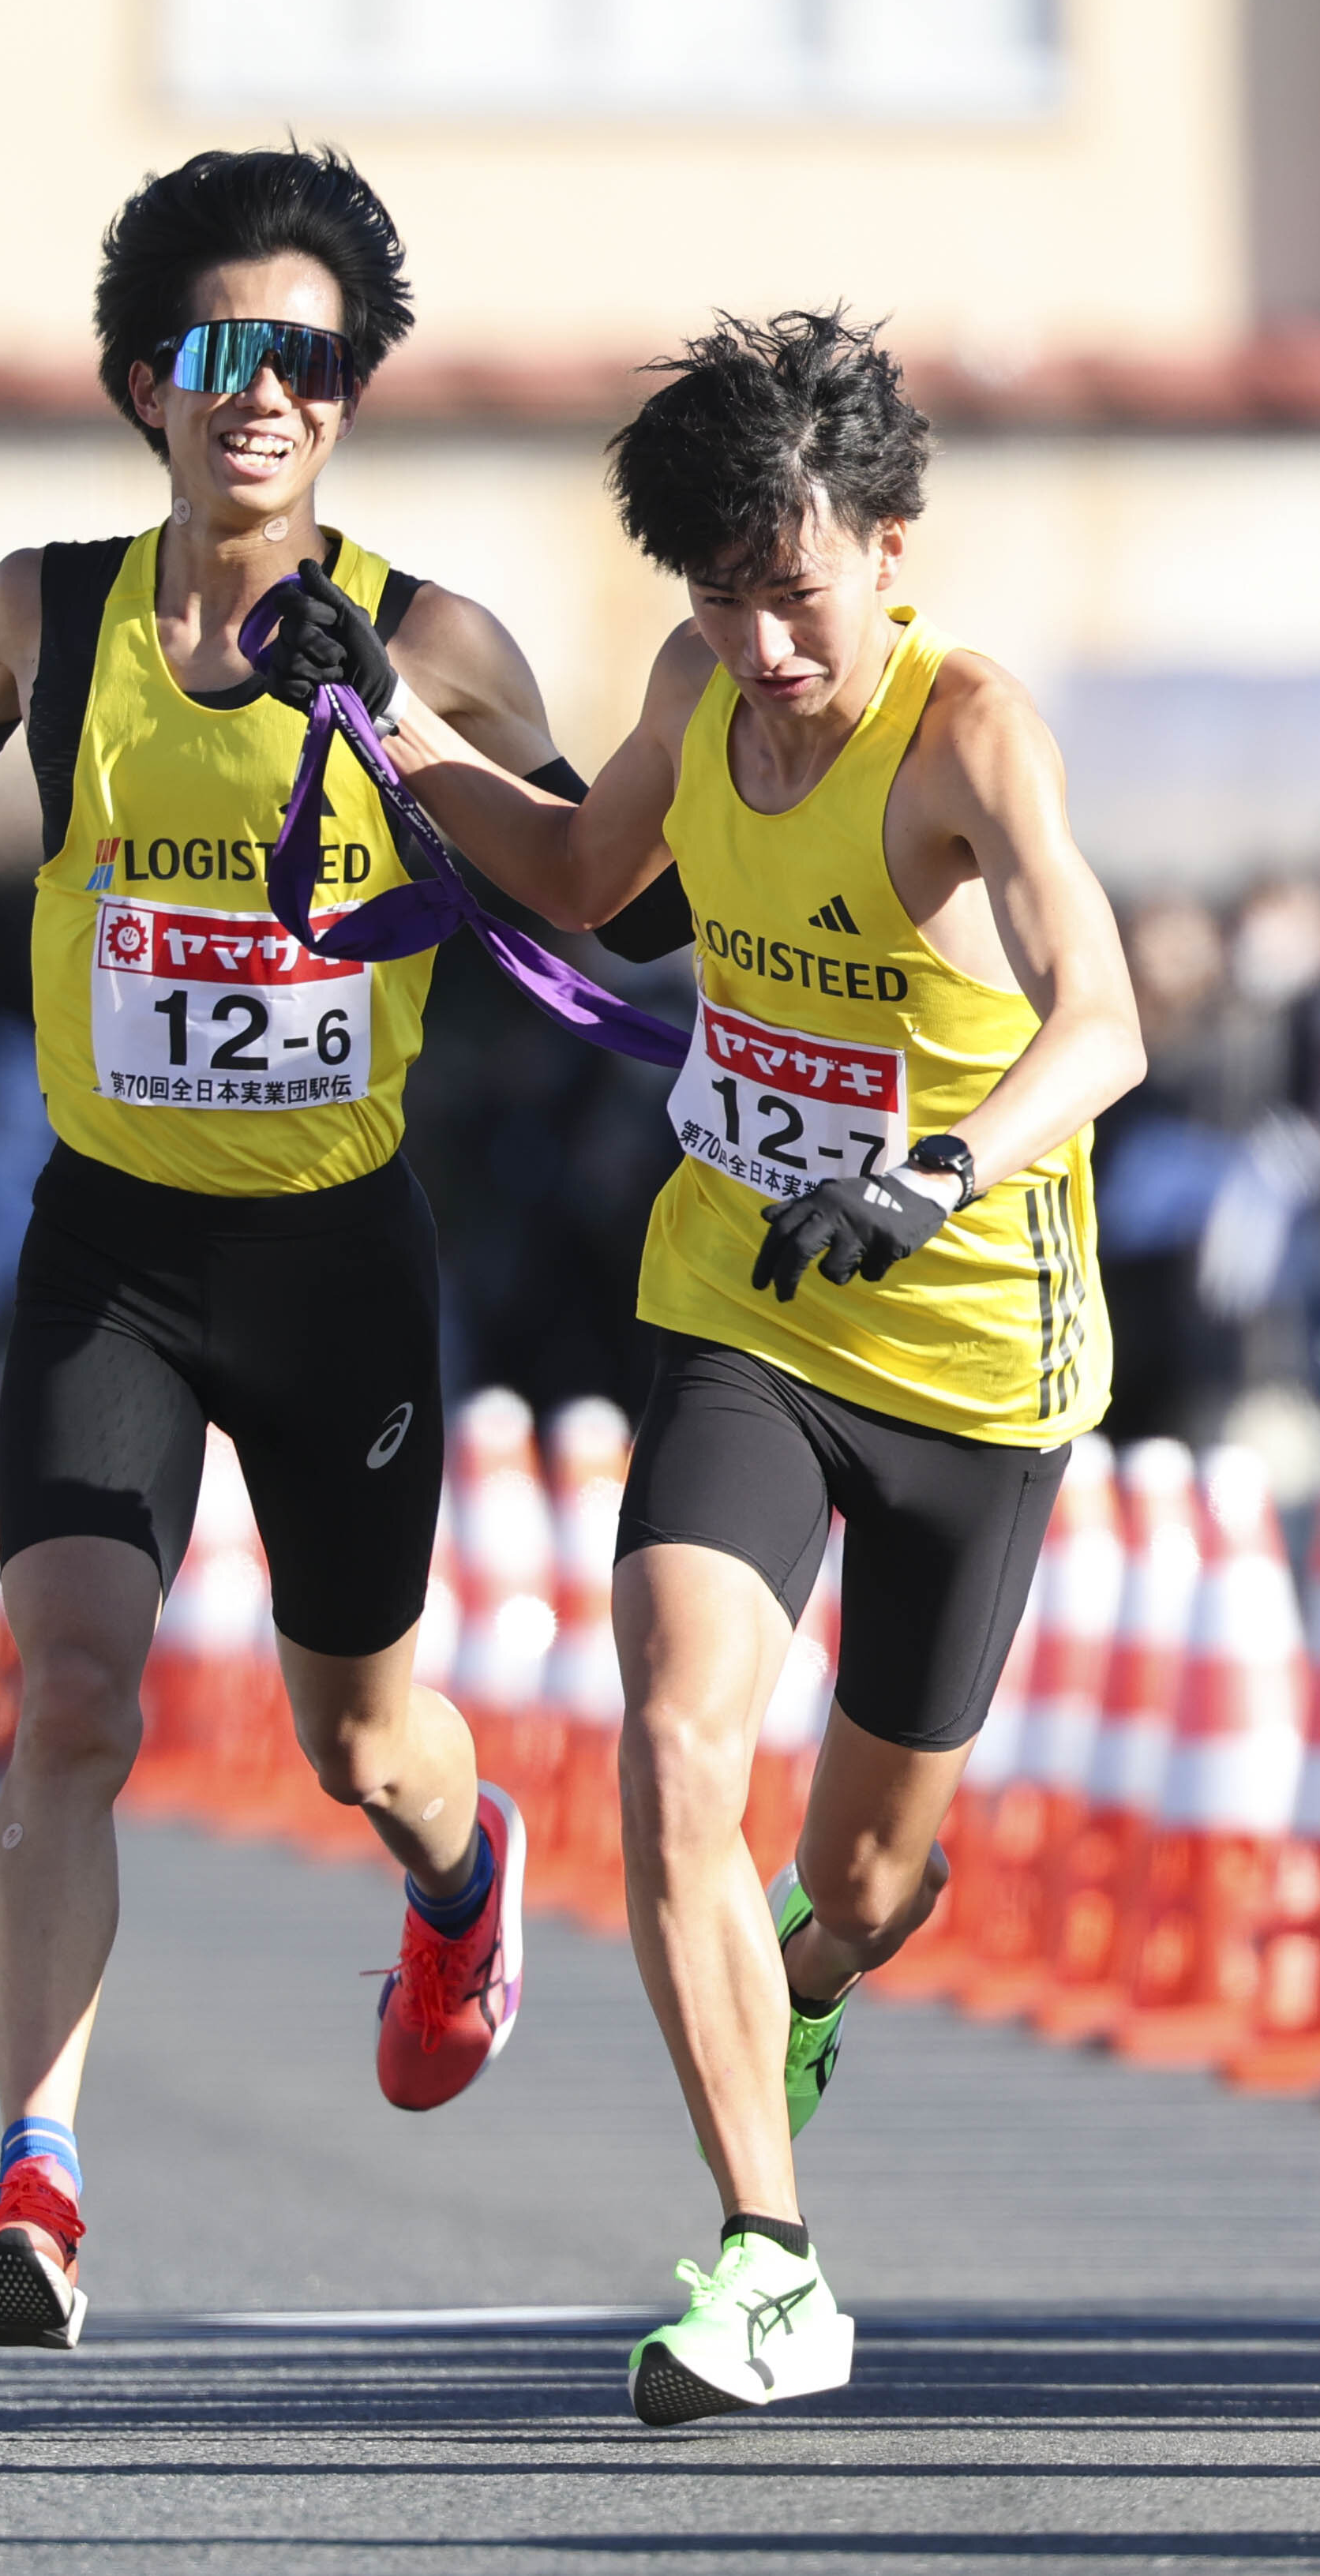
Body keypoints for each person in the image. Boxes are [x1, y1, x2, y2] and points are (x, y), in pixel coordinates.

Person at [0, 146, 686, 2353]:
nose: (266, 393)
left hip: (337, 1256)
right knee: (73, 1696)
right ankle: (32, 2186)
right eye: (225, 351)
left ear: (348, 396)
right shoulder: (51, 609)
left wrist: (400, 733)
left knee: (360, 1739)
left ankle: (461, 1870)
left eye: (310, 358)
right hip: (112, 1242)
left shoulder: (437, 637)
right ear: (146, 381)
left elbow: (626, 895)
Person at [302, 309, 1142, 2423]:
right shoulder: (694, 682)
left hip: (967, 1355)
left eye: (796, 591)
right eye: (722, 598)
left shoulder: (973, 737)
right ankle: (770, 2264)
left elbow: (1108, 1025)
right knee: (676, 1739)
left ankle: (815, 1971)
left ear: (886, 542)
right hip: (742, 1309)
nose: (765, 648)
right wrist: (398, 736)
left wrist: (938, 1169)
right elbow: (593, 878)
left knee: (858, 1879)